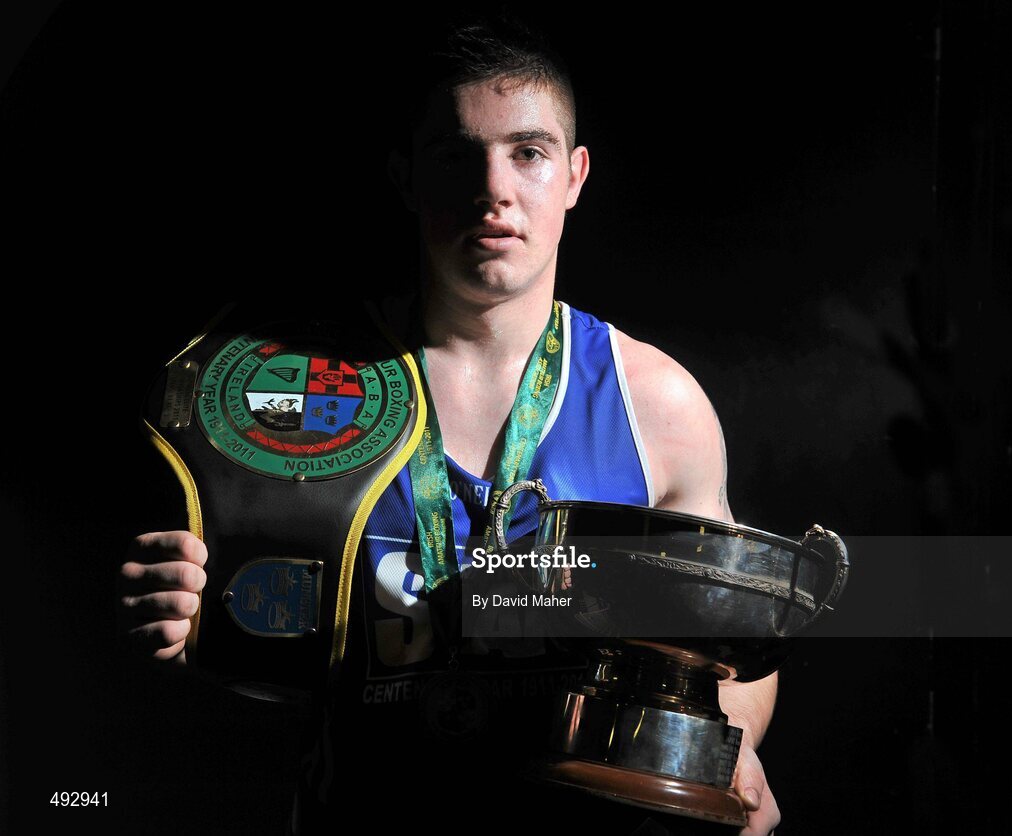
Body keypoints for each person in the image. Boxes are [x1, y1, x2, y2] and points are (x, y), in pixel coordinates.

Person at [118, 12, 780, 836]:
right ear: (405, 178)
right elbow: (239, 629)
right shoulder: (294, 395)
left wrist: (734, 745)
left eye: (528, 153)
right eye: (456, 155)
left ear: (575, 176)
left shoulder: (656, 408)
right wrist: (186, 626)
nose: (493, 188)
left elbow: (728, 645)